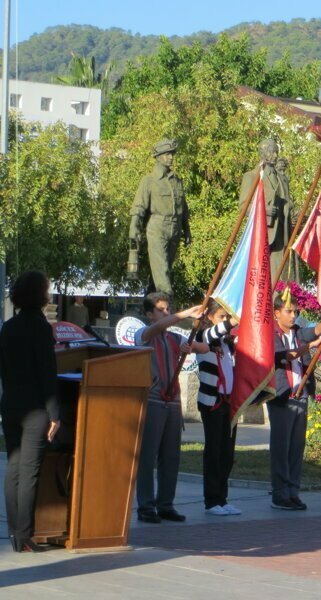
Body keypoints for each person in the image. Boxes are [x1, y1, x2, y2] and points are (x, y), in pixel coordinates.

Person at [0, 271, 60, 553]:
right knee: (29, 471)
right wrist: (55, 414)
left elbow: (6, 370)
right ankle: (25, 535)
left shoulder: (8, 327)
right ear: (40, 294)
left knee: (14, 469)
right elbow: (47, 374)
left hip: (10, 404)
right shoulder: (41, 327)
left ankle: (14, 532)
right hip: (35, 408)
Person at [135, 292, 208, 524]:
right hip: (154, 400)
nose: (166, 313)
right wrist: (185, 313)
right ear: (149, 314)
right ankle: (146, 506)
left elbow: (203, 348)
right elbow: (158, 328)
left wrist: (202, 330)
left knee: (171, 456)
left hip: (173, 402)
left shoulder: (174, 338)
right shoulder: (144, 334)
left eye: (168, 308)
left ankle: (166, 504)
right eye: (161, 309)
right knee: (148, 456)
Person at [269, 290, 321, 510]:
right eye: (288, 311)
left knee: (296, 448)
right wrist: (306, 348)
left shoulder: (299, 333)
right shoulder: (271, 335)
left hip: (300, 396)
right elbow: (283, 355)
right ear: (276, 313)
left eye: (296, 311)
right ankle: (279, 494)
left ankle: (293, 491)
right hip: (282, 397)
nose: (293, 316)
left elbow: (317, 330)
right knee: (281, 448)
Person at [194, 299, 240, 516]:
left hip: (229, 403)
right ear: (210, 317)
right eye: (221, 316)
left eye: (226, 317)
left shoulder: (227, 344)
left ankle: (222, 497)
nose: (224, 321)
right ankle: (211, 500)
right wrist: (231, 320)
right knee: (213, 451)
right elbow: (213, 333)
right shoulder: (203, 337)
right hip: (212, 402)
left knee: (227, 453)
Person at [129, 139, 191, 295]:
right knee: (162, 273)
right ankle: (168, 308)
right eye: (167, 154)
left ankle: (151, 301)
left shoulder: (177, 181)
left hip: (175, 229)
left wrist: (187, 230)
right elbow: (139, 208)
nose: (171, 157)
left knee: (165, 271)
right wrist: (134, 229)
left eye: (172, 154)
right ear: (158, 157)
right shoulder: (149, 181)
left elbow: (183, 208)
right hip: (157, 227)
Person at [240, 139, 293, 280]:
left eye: (276, 152)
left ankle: (275, 299)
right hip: (263, 231)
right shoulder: (252, 176)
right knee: (259, 276)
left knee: (278, 275)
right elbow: (243, 207)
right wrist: (265, 211)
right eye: (271, 152)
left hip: (282, 232)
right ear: (262, 153)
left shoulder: (283, 179)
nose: (275, 156)